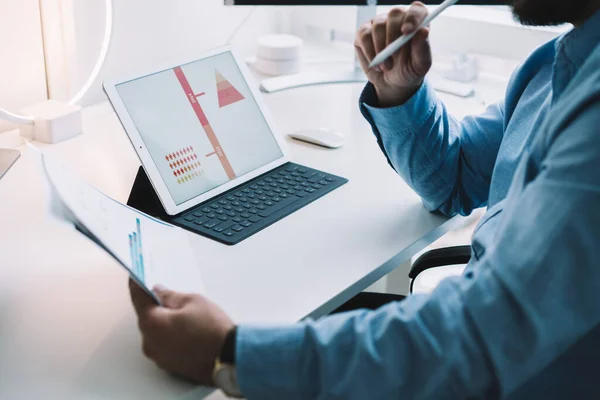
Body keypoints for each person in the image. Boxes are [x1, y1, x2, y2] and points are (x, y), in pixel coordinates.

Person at [129, 0, 600, 398]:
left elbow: (486, 335)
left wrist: (229, 354)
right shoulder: (554, 65)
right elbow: (454, 179)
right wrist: (399, 92)